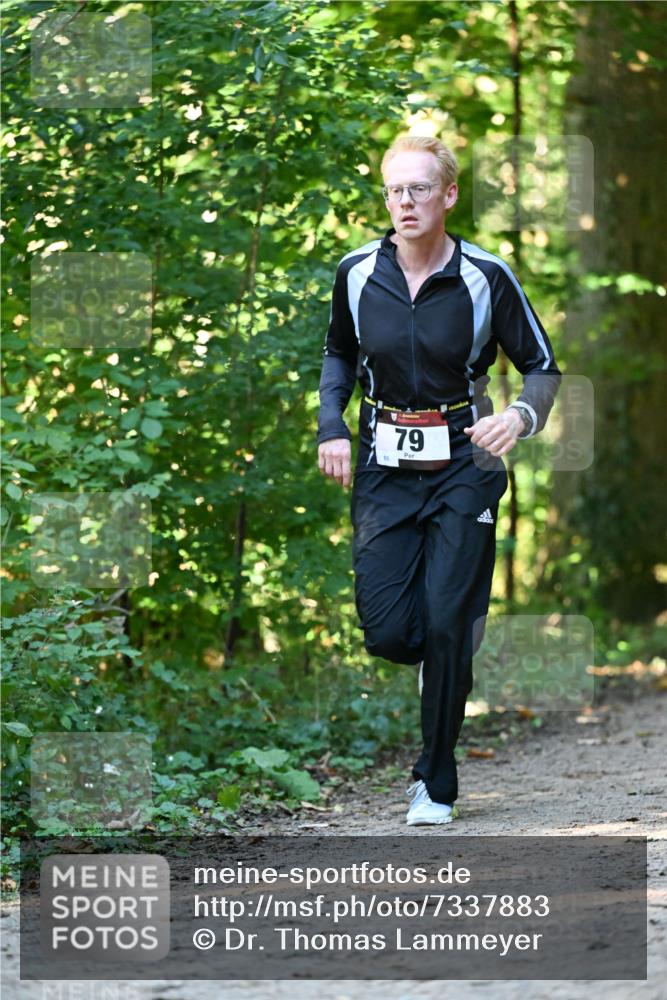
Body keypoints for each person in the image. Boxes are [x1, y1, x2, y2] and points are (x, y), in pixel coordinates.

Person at [316, 135, 562, 825]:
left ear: (447, 195)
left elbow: (542, 366)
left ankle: (435, 780)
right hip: (383, 461)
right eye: (395, 190)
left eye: (419, 188)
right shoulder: (357, 272)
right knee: (391, 631)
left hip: (465, 459)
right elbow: (337, 352)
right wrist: (330, 426)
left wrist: (517, 416)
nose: (404, 201)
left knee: (448, 619)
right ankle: (441, 654)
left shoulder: (486, 274)